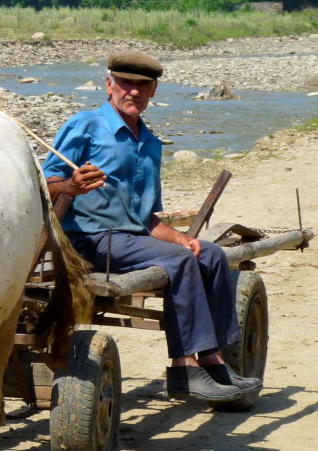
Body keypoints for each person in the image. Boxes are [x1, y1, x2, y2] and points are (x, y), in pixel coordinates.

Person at [42, 50, 262, 404]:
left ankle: (215, 361)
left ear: (154, 91)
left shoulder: (150, 143)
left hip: (131, 240)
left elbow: (143, 217)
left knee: (210, 254)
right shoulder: (84, 125)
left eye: (142, 86)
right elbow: (45, 182)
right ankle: (183, 368)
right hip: (87, 240)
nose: (133, 91)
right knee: (179, 261)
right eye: (126, 83)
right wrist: (71, 186)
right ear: (108, 85)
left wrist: (180, 237)